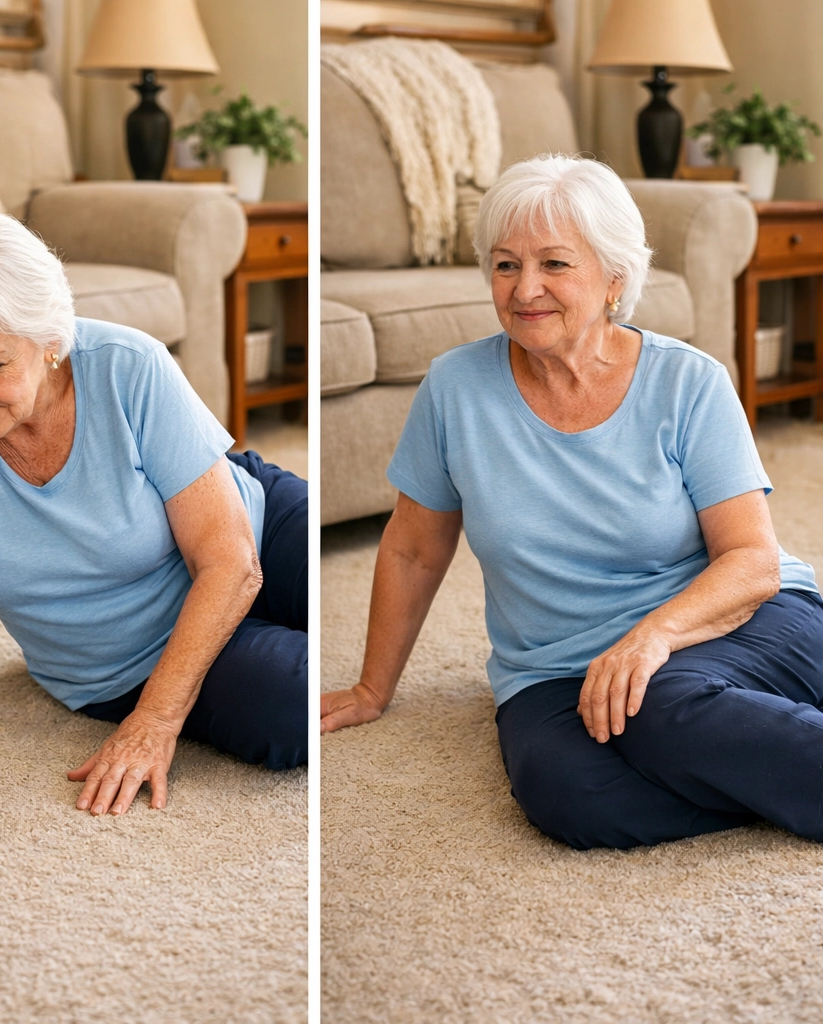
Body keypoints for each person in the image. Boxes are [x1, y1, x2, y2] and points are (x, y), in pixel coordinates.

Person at [320, 154, 823, 850]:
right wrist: (372, 688)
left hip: (725, 621)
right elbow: (412, 546)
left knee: (658, 706)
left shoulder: (688, 382)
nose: (525, 289)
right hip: (554, 667)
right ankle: (757, 765)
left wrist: (650, 641)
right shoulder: (455, 388)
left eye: (555, 264)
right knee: (567, 796)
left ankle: (743, 743)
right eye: (504, 265)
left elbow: (751, 561)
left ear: (615, 277)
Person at [0, 209, 307, 816]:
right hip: (127, 660)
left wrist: (156, 723)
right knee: (294, 707)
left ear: (49, 342)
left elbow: (230, 562)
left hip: (250, 528)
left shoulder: (129, 365)